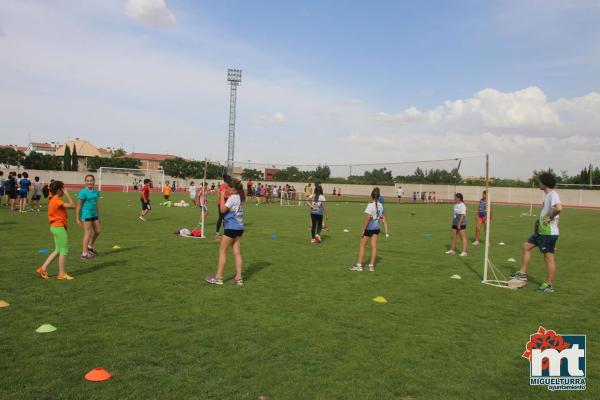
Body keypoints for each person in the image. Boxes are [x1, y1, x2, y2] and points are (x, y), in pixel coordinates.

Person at [510, 173, 562, 293]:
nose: (539, 183)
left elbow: (559, 208)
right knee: (526, 246)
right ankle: (522, 273)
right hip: (541, 231)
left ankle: (549, 286)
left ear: (544, 183)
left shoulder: (553, 194)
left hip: (548, 233)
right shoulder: (548, 195)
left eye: (540, 181)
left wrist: (550, 218)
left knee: (548, 258)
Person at [206, 179, 246, 286]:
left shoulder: (233, 197)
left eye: (228, 188)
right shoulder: (239, 197)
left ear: (233, 188)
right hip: (239, 228)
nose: (226, 189)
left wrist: (222, 196)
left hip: (231, 228)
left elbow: (223, 210)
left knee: (222, 251)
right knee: (237, 253)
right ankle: (238, 278)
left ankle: (219, 277)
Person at [36, 181, 76, 281]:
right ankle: (61, 274)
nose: (64, 190)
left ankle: (42, 269)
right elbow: (72, 205)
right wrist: (67, 194)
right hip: (58, 227)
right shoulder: (57, 200)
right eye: (63, 188)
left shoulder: (53, 199)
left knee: (58, 250)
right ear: (59, 190)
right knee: (64, 250)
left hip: (55, 227)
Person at [349, 188, 384, 272]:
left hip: (369, 229)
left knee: (362, 245)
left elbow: (367, 219)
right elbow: (380, 217)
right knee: (374, 246)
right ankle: (371, 266)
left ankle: (359, 266)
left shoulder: (370, 205)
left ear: (371, 196)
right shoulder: (381, 205)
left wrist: (363, 230)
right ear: (378, 197)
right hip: (377, 228)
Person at [76, 174, 101, 260]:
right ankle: (84, 254)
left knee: (98, 231)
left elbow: (96, 204)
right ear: (85, 182)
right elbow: (79, 206)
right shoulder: (83, 192)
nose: (90, 182)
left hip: (94, 215)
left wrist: (98, 215)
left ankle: (90, 246)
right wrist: (78, 218)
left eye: (91, 180)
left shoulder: (96, 191)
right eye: (88, 180)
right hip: (86, 214)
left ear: (94, 181)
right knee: (88, 233)